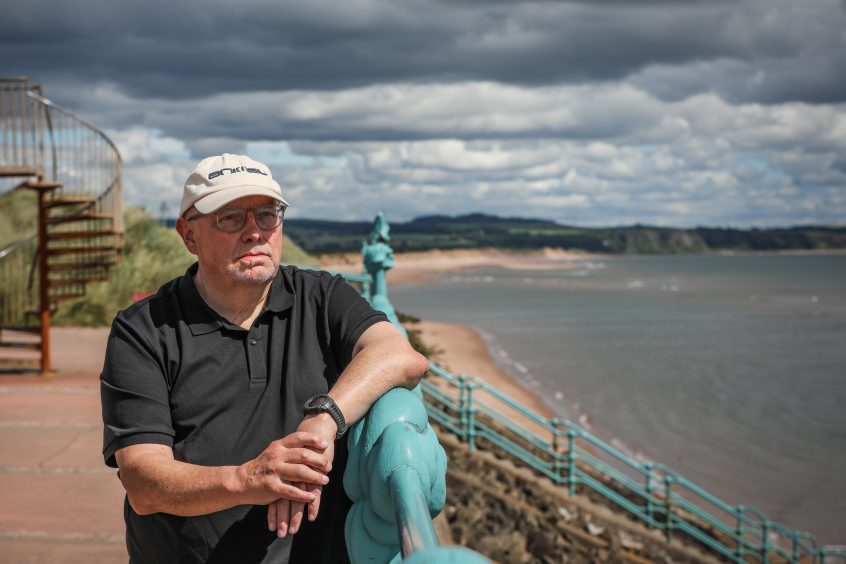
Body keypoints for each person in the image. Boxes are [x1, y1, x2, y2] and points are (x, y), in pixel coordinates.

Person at [100, 153, 429, 563]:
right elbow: (143, 481)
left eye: (268, 214)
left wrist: (324, 417)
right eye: (231, 218)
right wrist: (248, 479)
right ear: (189, 235)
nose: (255, 232)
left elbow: (400, 354)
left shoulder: (320, 297)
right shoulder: (144, 329)